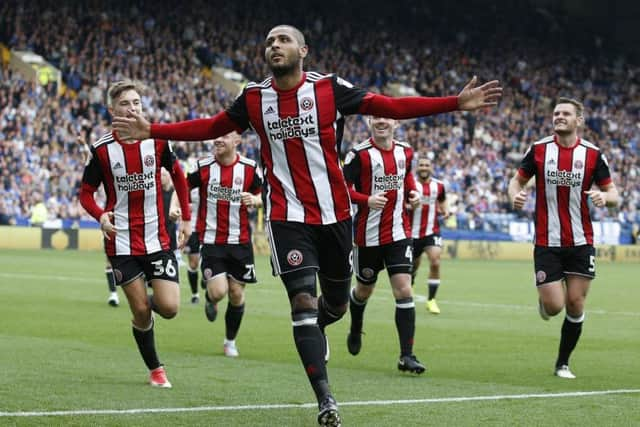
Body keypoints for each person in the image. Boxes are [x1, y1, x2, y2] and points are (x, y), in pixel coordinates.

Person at [112, 24, 501, 426]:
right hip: (287, 217)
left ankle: (325, 327)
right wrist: (152, 130)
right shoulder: (253, 97)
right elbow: (212, 127)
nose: (274, 46)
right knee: (301, 301)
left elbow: (389, 106)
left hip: (335, 215)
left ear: (303, 50)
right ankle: (326, 399)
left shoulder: (329, 89)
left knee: (333, 304)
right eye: (268, 42)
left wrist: (455, 102)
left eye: (283, 40)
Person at [79, 79, 191, 388]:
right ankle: (156, 369)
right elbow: (86, 193)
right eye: (126, 103)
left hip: (157, 238)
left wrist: (186, 218)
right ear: (112, 110)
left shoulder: (157, 139)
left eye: (137, 102)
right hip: (121, 240)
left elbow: (179, 176)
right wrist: (99, 214)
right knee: (141, 310)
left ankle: (145, 300)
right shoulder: (101, 150)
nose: (133, 108)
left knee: (169, 308)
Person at [508, 97, 618, 379]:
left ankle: (562, 363)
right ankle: (545, 301)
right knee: (555, 307)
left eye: (566, 113)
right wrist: (515, 196)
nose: (559, 117)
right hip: (547, 241)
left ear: (578, 120)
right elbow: (516, 180)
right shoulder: (540, 149)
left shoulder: (593, 154)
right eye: (556, 113)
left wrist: (603, 197)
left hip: (581, 241)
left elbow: (614, 195)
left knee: (576, 303)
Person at [342, 116, 425, 373]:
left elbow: (407, 179)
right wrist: (366, 199)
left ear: (395, 123)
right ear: (369, 121)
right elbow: (342, 189)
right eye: (376, 117)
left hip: (399, 232)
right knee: (364, 290)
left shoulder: (406, 152)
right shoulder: (358, 155)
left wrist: (415, 193)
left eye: (386, 118)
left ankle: (406, 356)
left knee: (404, 290)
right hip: (367, 236)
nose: (381, 122)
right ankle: (356, 327)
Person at [187, 131, 262, 358]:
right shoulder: (203, 167)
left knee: (237, 293)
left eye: (224, 136)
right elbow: (183, 187)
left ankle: (229, 341)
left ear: (237, 141)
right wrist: (177, 209)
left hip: (240, 242)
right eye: (215, 136)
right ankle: (210, 298)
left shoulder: (249, 168)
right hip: (211, 241)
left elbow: (263, 193)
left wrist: (257, 200)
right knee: (219, 292)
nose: (218, 139)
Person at [76, 135, 120, 307]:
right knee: (109, 259)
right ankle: (113, 294)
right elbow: (90, 158)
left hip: (127, 214)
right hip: (109, 214)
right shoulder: (101, 161)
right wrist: (83, 147)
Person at [409, 155, 449, 314]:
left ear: (431, 168)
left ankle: (431, 300)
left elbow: (443, 199)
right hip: (411, 232)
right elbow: (401, 203)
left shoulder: (439, 185)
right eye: (421, 165)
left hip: (432, 231)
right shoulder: (410, 184)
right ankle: (410, 282)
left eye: (427, 165)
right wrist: (410, 205)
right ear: (417, 168)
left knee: (435, 262)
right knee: (413, 265)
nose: (424, 168)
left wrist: (446, 210)